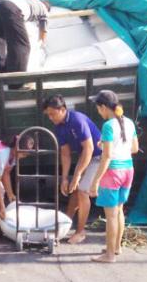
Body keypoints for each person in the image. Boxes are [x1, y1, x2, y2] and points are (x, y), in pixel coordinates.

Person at [42, 94, 102, 244]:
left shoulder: (77, 120)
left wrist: (76, 176)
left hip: (100, 156)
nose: (50, 117)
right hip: (87, 156)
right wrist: (64, 178)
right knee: (73, 189)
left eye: (52, 113)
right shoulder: (59, 126)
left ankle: (81, 231)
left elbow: (89, 149)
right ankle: (65, 224)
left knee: (82, 190)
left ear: (62, 109)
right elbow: (65, 153)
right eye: (48, 115)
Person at [89, 90, 138, 263]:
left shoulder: (108, 125)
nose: (98, 112)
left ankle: (108, 255)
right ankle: (116, 248)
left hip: (113, 173)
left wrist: (95, 182)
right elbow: (134, 148)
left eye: (98, 108)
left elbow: (107, 156)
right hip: (128, 170)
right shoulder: (129, 122)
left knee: (110, 216)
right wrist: (109, 144)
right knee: (119, 211)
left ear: (103, 107)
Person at [0, 0, 51, 76]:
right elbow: (43, 31)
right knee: (22, 46)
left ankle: (0, 77)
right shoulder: (43, 9)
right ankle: (16, 82)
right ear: (46, 7)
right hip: (11, 7)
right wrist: (41, 43)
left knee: (0, 42)